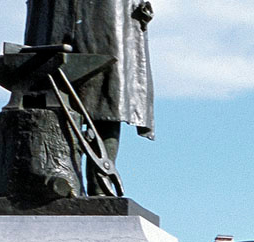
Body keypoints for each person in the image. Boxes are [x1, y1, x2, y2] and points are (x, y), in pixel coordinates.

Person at [23, 0, 155, 194]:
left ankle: (100, 183)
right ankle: (55, 179)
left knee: (109, 92)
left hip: (109, 13)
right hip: (54, 11)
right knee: (48, 90)